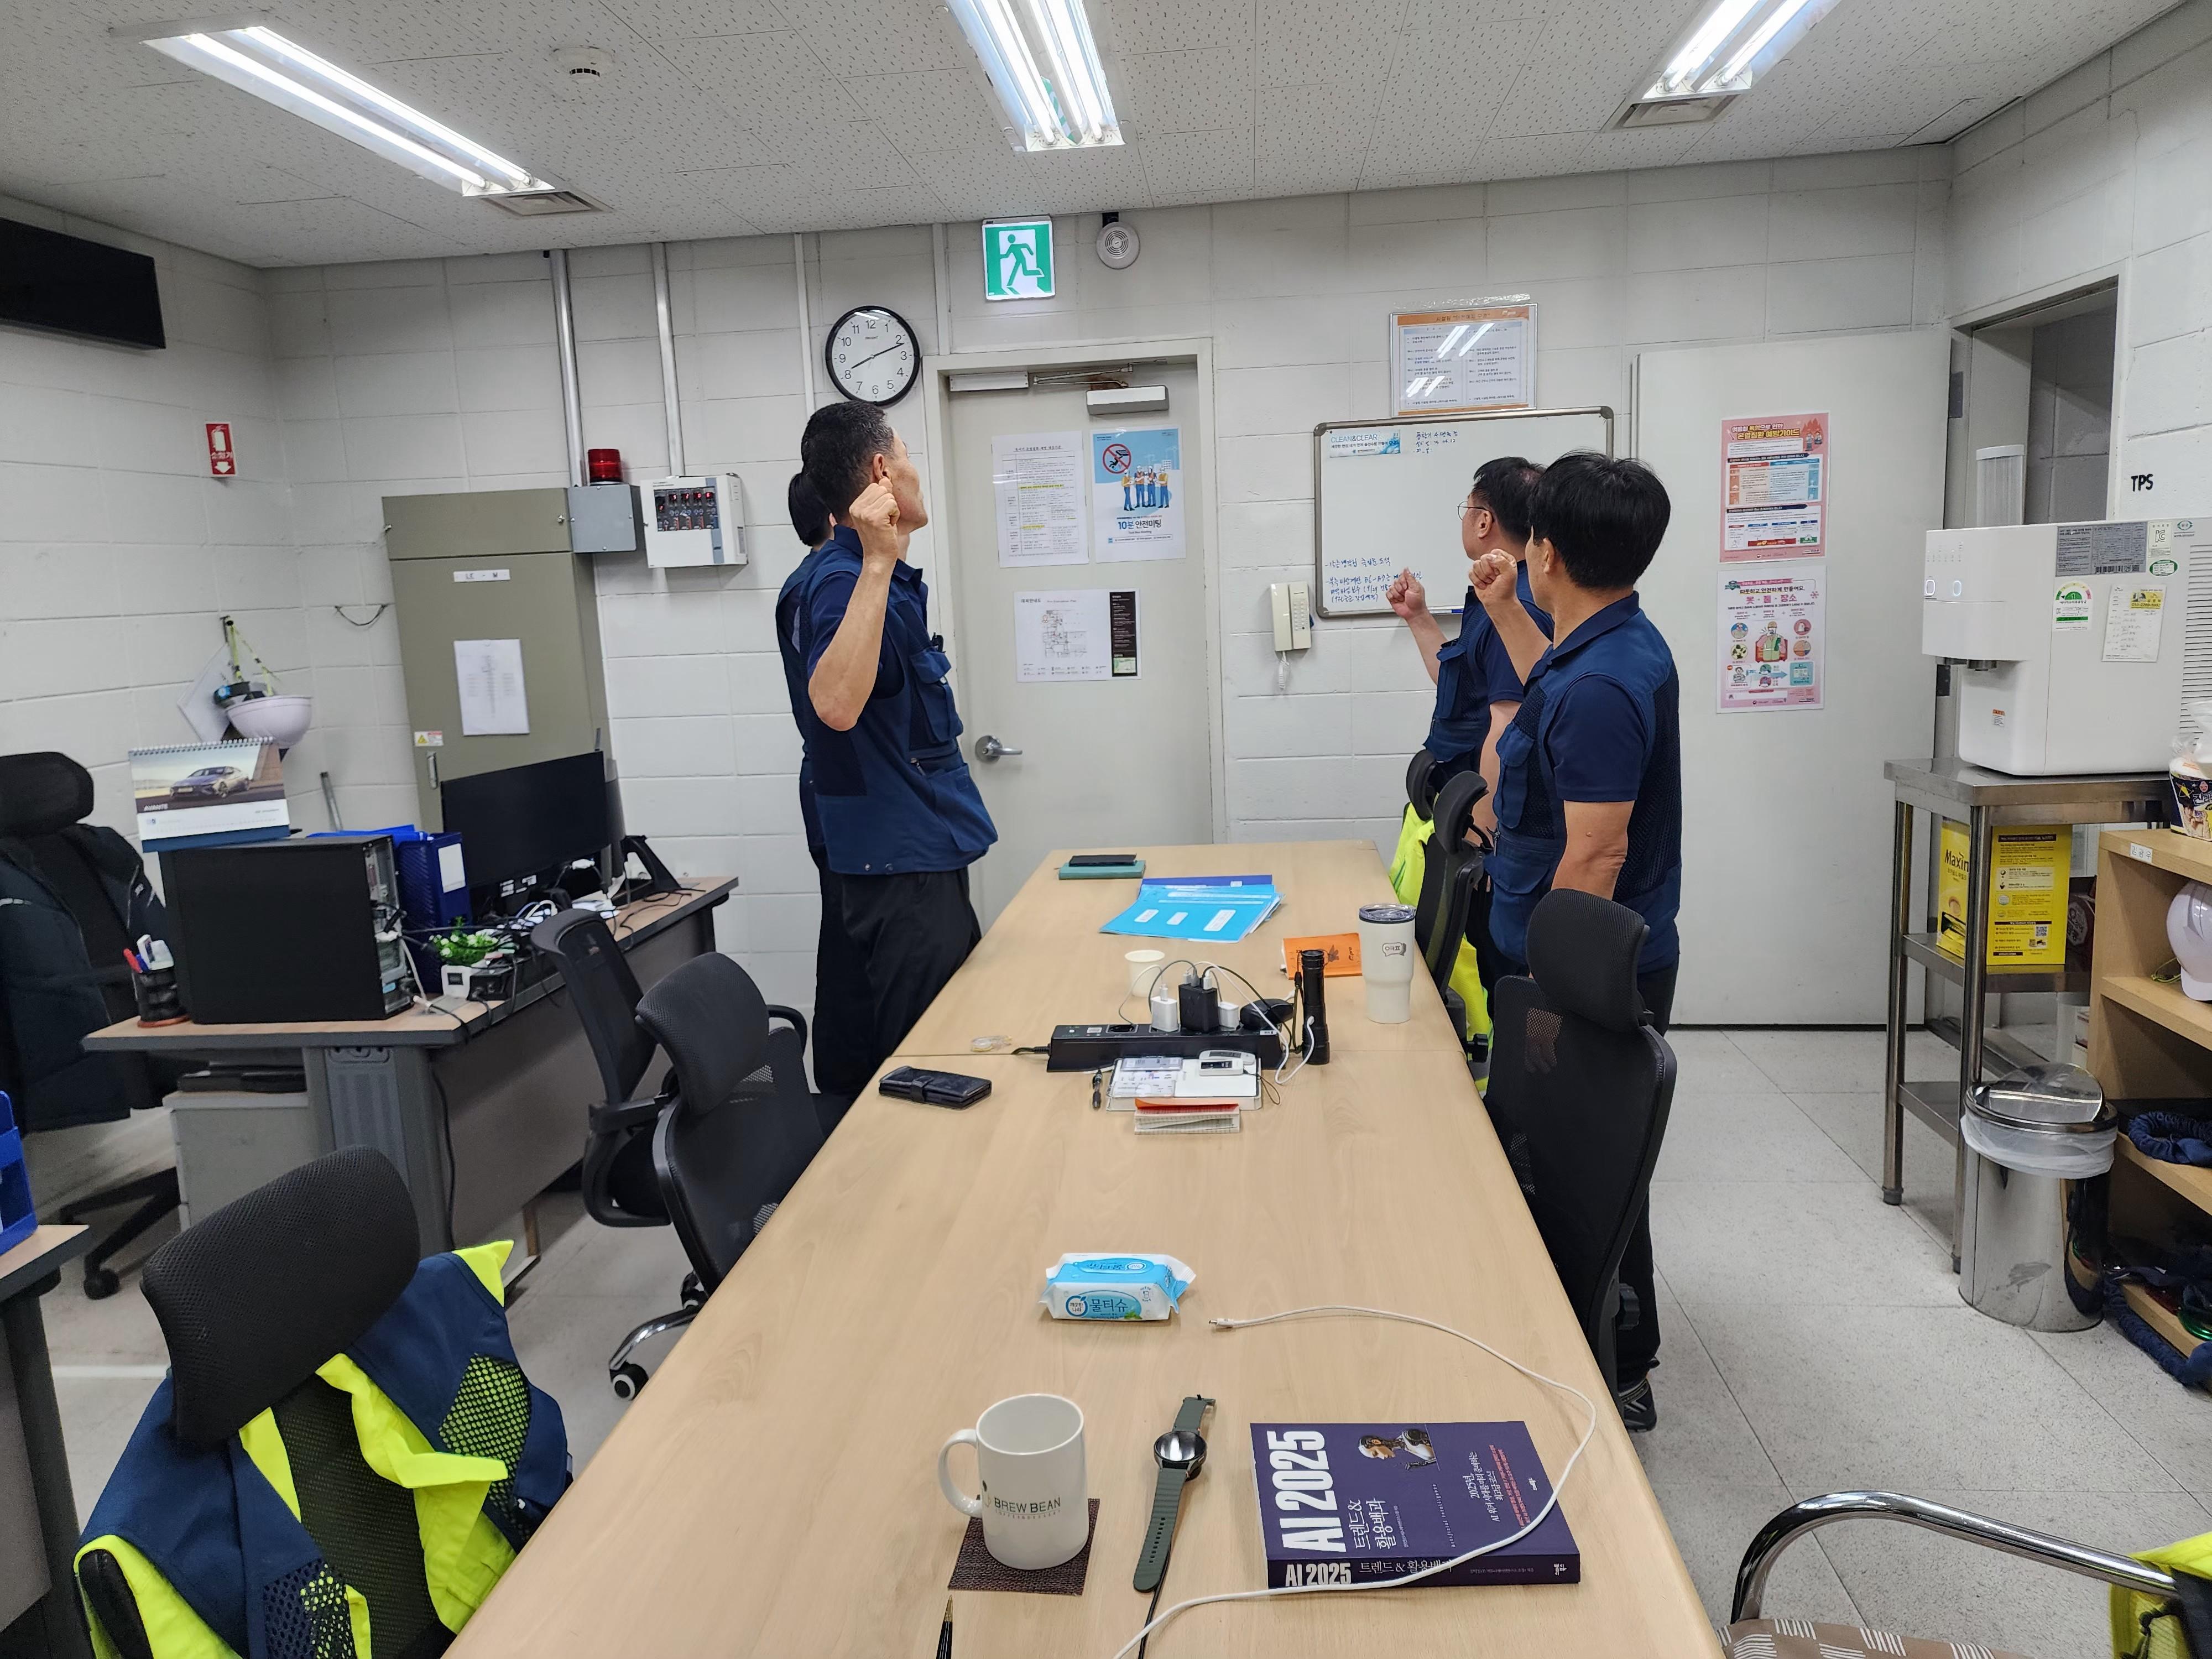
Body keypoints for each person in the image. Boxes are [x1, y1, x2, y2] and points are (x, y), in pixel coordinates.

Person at [1470, 449, 1680, 1433]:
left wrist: (1549, 1000)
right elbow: (1545, 692)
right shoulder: (1598, 643)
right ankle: (1586, 1335)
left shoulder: (1604, 682)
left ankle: (1619, 1360)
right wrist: (1502, 610)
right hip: (1557, 959)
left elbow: (1597, 854)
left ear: (1546, 552)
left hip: (1581, 976)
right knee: (1565, 1161)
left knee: (1588, 1172)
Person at [781, 402, 997, 1077]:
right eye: (905, 455)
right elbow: (835, 705)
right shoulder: (843, 578)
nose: (913, 470)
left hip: (916, 849)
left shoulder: (874, 576)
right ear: (881, 470)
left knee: (945, 1034)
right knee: (929, 1061)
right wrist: (877, 560)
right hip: (899, 867)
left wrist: (885, 559)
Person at [1385, 456, 1549, 987]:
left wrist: (1481, 841)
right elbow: (1460, 690)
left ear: (1484, 521)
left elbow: (1507, 726)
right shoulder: (1492, 595)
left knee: (1491, 973)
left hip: (1487, 831)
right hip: (1460, 815)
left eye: (1468, 509)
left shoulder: (1517, 605)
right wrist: (1418, 617)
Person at [774, 472, 874, 1105]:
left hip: (843, 790)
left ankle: (847, 1087)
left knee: (850, 942)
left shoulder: (815, 581)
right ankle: (844, 1095)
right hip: (844, 792)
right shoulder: (825, 586)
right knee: (850, 946)